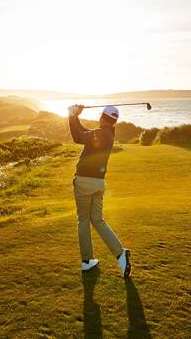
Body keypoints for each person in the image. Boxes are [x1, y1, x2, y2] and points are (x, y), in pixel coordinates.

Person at [68, 104, 131, 278]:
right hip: (98, 183)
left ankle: (87, 261)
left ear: (103, 117)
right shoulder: (108, 133)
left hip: (84, 182)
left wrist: (71, 115)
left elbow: (77, 137)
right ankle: (120, 254)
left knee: (83, 221)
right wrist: (76, 117)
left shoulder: (101, 133)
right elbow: (84, 133)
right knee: (97, 219)